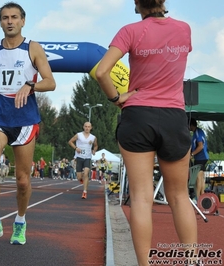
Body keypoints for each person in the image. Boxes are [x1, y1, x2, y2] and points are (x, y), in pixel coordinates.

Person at [95, 1, 197, 265]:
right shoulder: (184, 29)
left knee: (141, 197)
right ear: (163, 2)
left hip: (138, 114)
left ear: (136, 4)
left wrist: (117, 97)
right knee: (179, 196)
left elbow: (102, 72)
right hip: (174, 116)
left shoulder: (129, 31)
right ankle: (193, 261)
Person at [0, 2, 56, 245]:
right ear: (0, 22)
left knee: (22, 179)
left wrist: (30, 85)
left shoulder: (33, 48)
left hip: (25, 119)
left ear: (22, 21)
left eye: (14, 17)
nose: (9, 21)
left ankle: (20, 221)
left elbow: (50, 82)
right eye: (4, 18)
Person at [68, 122, 98, 199]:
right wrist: (76, 148)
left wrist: (94, 150)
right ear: (83, 127)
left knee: (86, 173)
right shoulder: (79, 135)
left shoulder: (93, 137)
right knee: (79, 177)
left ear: (91, 128)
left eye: (89, 127)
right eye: (86, 126)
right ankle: (82, 180)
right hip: (79, 157)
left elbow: (96, 145)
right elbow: (70, 141)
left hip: (87, 157)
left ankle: (84, 192)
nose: (87, 128)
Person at [189, 118, 209, 200]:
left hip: (201, 157)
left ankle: (198, 198)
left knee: (198, 178)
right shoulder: (197, 132)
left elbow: (200, 146)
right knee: (201, 177)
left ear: (191, 125)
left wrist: (192, 154)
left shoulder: (197, 132)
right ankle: (202, 196)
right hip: (203, 157)